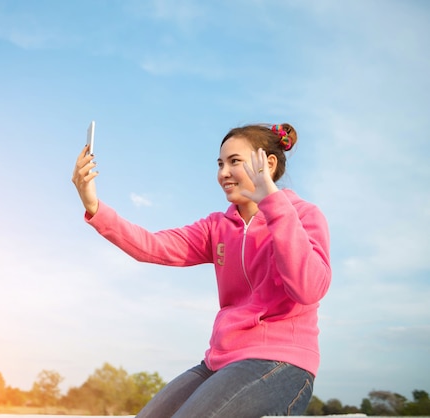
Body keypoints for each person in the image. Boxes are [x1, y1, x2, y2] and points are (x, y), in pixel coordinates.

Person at [71, 123, 331, 417]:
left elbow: (308, 289)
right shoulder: (217, 227)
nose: (223, 173)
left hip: (281, 362)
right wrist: (94, 206)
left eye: (235, 161)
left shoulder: (304, 216)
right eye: (220, 164)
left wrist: (275, 204)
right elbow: (153, 246)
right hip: (219, 362)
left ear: (268, 164)